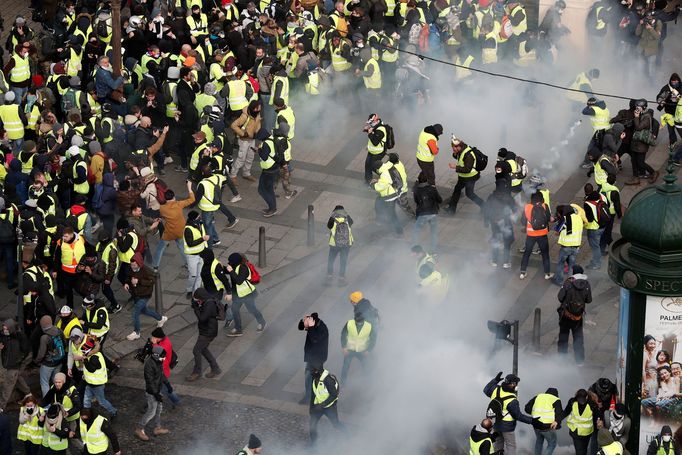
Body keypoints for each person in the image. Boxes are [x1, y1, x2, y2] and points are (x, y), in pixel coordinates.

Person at [483, 373, 535, 455]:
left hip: (496, 423)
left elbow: (486, 389)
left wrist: (495, 381)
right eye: (516, 384)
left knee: (498, 446)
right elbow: (518, 416)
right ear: (512, 384)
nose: (517, 386)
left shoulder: (496, 389)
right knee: (511, 446)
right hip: (507, 427)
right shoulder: (512, 400)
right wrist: (532, 421)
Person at [124, 254, 167, 341]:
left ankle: (137, 332)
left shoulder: (146, 270)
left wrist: (139, 281)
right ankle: (161, 318)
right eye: (131, 265)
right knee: (144, 310)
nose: (132, 267)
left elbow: (152, 281)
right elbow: (128, 277)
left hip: (145, 295)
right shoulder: (130, 268)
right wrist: (126, 283)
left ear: (139, 264)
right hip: (136, 294)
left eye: (134, 265)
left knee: (135, 313)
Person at [557, 265, 591, 364]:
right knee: (578, 338)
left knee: (563, 336)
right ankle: (580, 361)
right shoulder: (586, 284)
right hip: (578, 316)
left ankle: (561, 359)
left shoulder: (568, 283)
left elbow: (560, 297)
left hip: (566, 315)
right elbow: (589, 300)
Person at [135, 346, 170, 441]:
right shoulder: (149, 365)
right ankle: (139, 429)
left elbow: (161, 375)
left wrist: (167, 384)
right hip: (151, 392)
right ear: (156, 355)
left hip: (157, 390)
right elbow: (150, 382)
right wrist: (156, 395)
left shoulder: (158, 362)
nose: (164, 358)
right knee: (151, 411)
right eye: (163, 357)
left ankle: (157, 428)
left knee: (159, 409)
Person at [226, 253, 266, 337]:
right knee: (234, 310)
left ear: (235, 262)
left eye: (230, 262)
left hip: (247, 294)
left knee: (252, 309)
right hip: (238, 295)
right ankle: (238, 329)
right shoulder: (234, 265)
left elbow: (239, 281)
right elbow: (228, 270)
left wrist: (231, 271)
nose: (229, 263)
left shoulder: (243, 268)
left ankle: (262, 322)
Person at [186, 288, 222, 382]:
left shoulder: (209, 304)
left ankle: (197, 372)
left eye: (198, 299)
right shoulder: (207, 300)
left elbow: (202, 318)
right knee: (203, 349)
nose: (198, 301)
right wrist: (198, 305)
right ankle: (215, 369)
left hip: (208, 332)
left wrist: (196, 308)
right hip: (207, 330)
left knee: (196, 350)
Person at [445, 136, 484, 215]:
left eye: (454, 148)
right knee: (457, 191)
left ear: (459, 146)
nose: (453, 150)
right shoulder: (461, 150)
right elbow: (459, 157)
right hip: (464, 177)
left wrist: (455, 167)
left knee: (469, 194)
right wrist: (455, 154)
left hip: (470, 177)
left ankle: (484, 206)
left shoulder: (468, 155)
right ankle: (451, 210)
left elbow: (467, 169)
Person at [519, 191, 553, 279]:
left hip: (530, 234)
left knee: (527, 252)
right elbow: (549, 218)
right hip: (542, 234)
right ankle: (547, 273)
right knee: (545, 254)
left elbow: (522, 221)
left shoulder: (527, 207)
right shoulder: (545, 206)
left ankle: (522, 272)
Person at [81, 337, 117, 417]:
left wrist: (85, 360)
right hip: (90, 383)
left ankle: (113, 411)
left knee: (102, 401)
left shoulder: (94, 358)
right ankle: (86, 413)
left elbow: (91, 369)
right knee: (86, 399)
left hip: (97, 385)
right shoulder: (95, 354)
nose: (83, 353)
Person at [298, 313, 329, 405]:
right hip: (311, 357)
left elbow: (315, 339)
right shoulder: (313, 324)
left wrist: (310, 327)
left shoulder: (321, 328)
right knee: (311, 376)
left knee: (310, 377)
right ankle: (312, 395)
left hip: (318, 358)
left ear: (313, 322)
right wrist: (303, 321)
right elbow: (300, 328)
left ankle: (311, 397)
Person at [309, 365, 344, 444]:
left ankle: (347, 435)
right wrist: (311, 407)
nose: (311, 374)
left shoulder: (328, 380)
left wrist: (322, 405)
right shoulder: (314, 378)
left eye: (312, 372)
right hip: (318, 407)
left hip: (329, 408)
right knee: (312, 425)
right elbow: (313, 394)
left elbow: (334, 395)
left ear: (318, 372)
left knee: (336, 424)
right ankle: (313, 444)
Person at [0, 318, 30, 410]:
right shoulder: (6, 335)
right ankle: (28, 394)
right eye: (4, 328)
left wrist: (19, 362)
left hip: (13, 365)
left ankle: (1, 406)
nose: (4, 331)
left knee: (7, 386)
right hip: (10, 364)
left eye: (6, 329)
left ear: (11, 329)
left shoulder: (18, 339)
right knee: (17, 379)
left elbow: (25, 351)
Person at [340, 311, 377, 383]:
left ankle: (369, 382)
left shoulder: (369, 326)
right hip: (350, 349)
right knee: (345, 367)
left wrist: (368, 350)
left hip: (362, 351)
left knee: (366, 366)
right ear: (355, 319)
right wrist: (344, 347)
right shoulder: (349, 323)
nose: (359, 322)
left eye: (360, 321)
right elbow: (343, 335)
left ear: (363, 320)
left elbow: (373, 339)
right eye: (357, 321)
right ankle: (342, 383)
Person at [552, 205, 584, 285]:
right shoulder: (579, 218)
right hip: (576, 247)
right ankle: (571, 283)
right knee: (571, 266)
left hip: (566, 247)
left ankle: (559, 281)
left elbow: (557, 232)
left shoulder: (565, 219)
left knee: (561, 264)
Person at [35, 315, 66, 397]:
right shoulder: (59, 331)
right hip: (59, 362)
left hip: (47, 364)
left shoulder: (44, 337)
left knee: (44, 383)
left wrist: (36, 361)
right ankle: (59, 398)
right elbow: (65, 343)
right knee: (56, 381)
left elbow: (41, 354)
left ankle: (47, 404)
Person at [525, 388, 562, 455]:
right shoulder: (555, 399)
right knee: (552, 444)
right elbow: (559, 414)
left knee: (539, 441)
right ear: (556, 395)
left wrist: (535, 413)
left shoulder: (538, 396)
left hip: (536, 424)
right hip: (547, 426)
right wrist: (557, 424)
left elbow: (527, 408)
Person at [562, 389, 598, 455]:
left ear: (586, 397)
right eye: (579, 399)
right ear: (577, 397)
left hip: (587, 433)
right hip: (575, 432)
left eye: (583, 399)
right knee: (579, 452)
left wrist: (599, 422)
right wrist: (557, 420)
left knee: (584, 450)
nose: (581, 401)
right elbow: (566, 412)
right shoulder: (572, 402)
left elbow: (597, 416)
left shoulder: (592, 405)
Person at [150, 328, 181, 407]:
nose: (152, 338)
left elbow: (157, 355)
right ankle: (176, 401)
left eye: (154, 337)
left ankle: (176, 401)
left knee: (165, 389)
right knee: (164, 388)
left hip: (162, 371)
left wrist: (154, 344)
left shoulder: (165, 345)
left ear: (159, 338)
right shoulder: (163, 340)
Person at [413, 172, 442, 254]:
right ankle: (433, 251)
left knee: (416, 231)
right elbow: (440, 200)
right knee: (433, 233)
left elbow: (416, 201)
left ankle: (415, 249)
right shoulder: (432, 189)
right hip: (433, 213)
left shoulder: (416, 190)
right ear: (427, 180)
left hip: (422, 214)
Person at [327, 205, 353, 286]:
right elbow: (352, 223)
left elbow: (329, 226)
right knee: (343, 261)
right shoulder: (347, 218)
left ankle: (329, 276)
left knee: (331, 260)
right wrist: (346, 214)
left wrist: (332, 216)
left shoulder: (332, 219)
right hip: (346, 244)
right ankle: (341, 278)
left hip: (334, 244)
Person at [583, 183, 607, 269]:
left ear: (585, 192)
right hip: (603, 225)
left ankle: (596, 264)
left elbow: (589, 219)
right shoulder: (602, 196)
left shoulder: (587, 204)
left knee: (594, 246)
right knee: (598, 244)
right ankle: (598, 258)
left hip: (594, 228)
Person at [363, 113, 389, 185]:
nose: (370, 124)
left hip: (378, 153)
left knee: (374, 167)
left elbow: (375, 142)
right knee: (367, 165)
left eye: (371, 123)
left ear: (375, 121)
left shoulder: (380, 130)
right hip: (372, 151)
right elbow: (373, 136)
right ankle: (368, 182)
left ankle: (387, 177)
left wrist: (369, 133)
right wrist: (367, 130)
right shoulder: (375, 126)